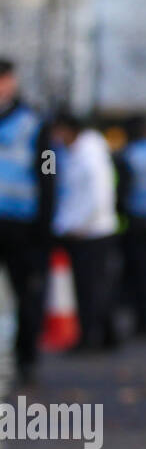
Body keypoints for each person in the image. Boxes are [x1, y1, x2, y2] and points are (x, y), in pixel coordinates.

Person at [0, 59, 55, 385]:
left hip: (23, 225)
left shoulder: (34, 123)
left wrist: (44, 227)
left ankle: (26, 360)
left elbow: (48, 174)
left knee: (28, 295)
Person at [50, 112, 120, 352]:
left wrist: (80, 223)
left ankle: (91, 338)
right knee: (95, 286)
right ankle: (107, 336)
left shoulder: (90, 153)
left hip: (91, 231)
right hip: (83, 228)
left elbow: (98, 194)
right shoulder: (75, 152)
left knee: (90, 288)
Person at [117, 117, 146, 336]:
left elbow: (121, 188)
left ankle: (142, 321)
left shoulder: (130, 153)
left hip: (135, 218)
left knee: (139, 272)